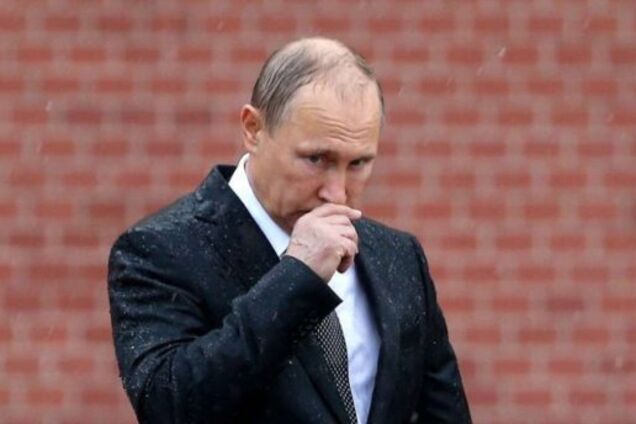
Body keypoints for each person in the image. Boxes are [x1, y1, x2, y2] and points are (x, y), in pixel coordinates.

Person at [108, 37, 472, 424]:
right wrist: (297, 276)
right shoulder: (158, 249)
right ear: (253, 129)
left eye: (358, 164)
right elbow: (169, 406)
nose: (337, 192)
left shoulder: (397, 255)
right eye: (316, 159)